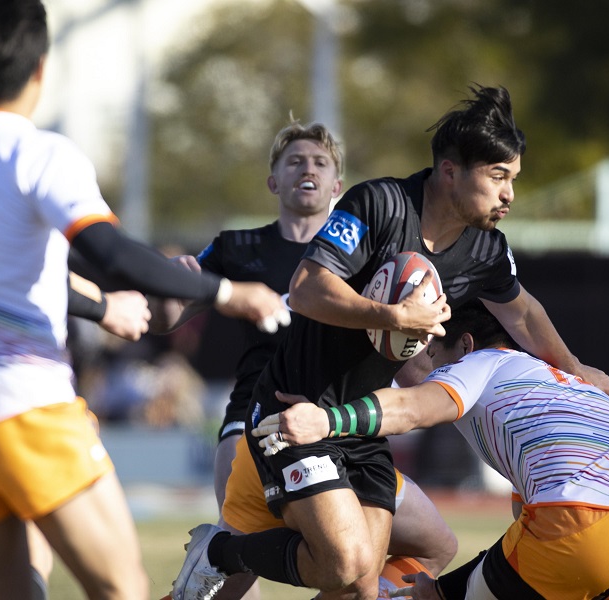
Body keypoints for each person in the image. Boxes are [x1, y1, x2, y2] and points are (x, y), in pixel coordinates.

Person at [0, 2, 288, 600]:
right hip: (27, 408)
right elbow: (110, 252)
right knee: (122, 587)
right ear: (40, 66)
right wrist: (227, 290)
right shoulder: (40, 154)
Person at [171, 84, 609, 600]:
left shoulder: (485, 248)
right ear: (450, 171)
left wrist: (575, 369)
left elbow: (523, 313)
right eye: (498, 177)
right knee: (344, 565)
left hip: (360, 425)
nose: (509, 194)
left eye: (513, 179)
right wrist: (394, 316)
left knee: (363, 588)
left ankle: (230, 555)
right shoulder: (380, 204)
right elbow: (307, 289)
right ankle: (219, 553)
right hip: (293, 411)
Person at [155, 117, 456, 600]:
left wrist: (451, 372)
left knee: (428, 547)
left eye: (320, 162)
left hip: (341, 427)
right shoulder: (239, 246)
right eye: (294, 161)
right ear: (273, 180)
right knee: (234, 587)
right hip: (259, 421)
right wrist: (171, 280)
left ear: (338, 186)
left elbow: (397, 348)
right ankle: (218, 557)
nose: (307, 169)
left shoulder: (371, 255)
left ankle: (222, 555)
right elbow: (168, 318)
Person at [253, 301, 609, 600]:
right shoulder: (547, 379)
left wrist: (328, 419)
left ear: (465, 345)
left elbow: (413, 408)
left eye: (431, 351)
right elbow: (525, 521)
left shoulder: (479, 363)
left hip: (582, 521)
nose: (423, 364)